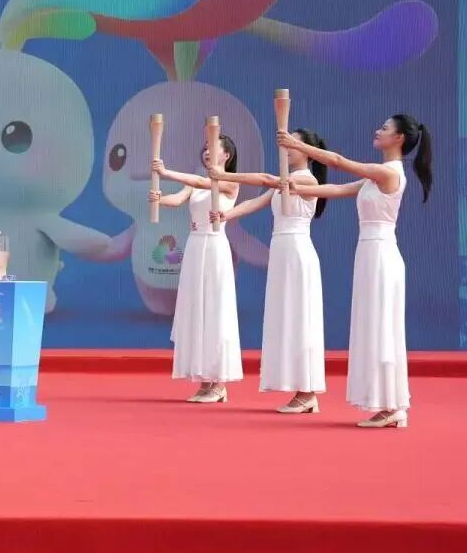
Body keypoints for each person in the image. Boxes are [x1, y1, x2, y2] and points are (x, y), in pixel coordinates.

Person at [279, 115, 432, 429]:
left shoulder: (388, 172)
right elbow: (335, 189)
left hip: (382, 255)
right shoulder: (375, 177)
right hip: (369, 254)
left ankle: (393, 406)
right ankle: (387, 404)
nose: (378, 130)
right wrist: (293, 185)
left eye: (385, 128)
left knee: (382, 329)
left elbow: (337, 161)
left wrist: (297, 145)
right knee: (372, 327)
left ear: (399, 138)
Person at [209, 128, 328, 414]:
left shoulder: (306, 180)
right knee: (286, 319)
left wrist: (225, 175)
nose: (286, 148)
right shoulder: (283, 182)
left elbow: (264, 179)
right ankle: (301, 390)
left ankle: (308, 392)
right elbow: (255, 201)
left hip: (298, 252)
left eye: (293, 144)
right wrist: (227, 214)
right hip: (282, 252)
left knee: (301, 319)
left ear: (308, 151)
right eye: (286, 143)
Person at [151, 136, 243, 403]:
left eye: (212, 148)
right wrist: (160, 198)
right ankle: (205, 382)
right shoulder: (196, 180)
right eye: (204, 148)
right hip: (195, 246)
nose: (206, 152)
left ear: (226, 155)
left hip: (215, 248)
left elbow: (205, 183)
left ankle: (219, 383)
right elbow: (179, 198)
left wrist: (166, 172)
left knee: (215, 311)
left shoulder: (231, 181)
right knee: (198, 311)